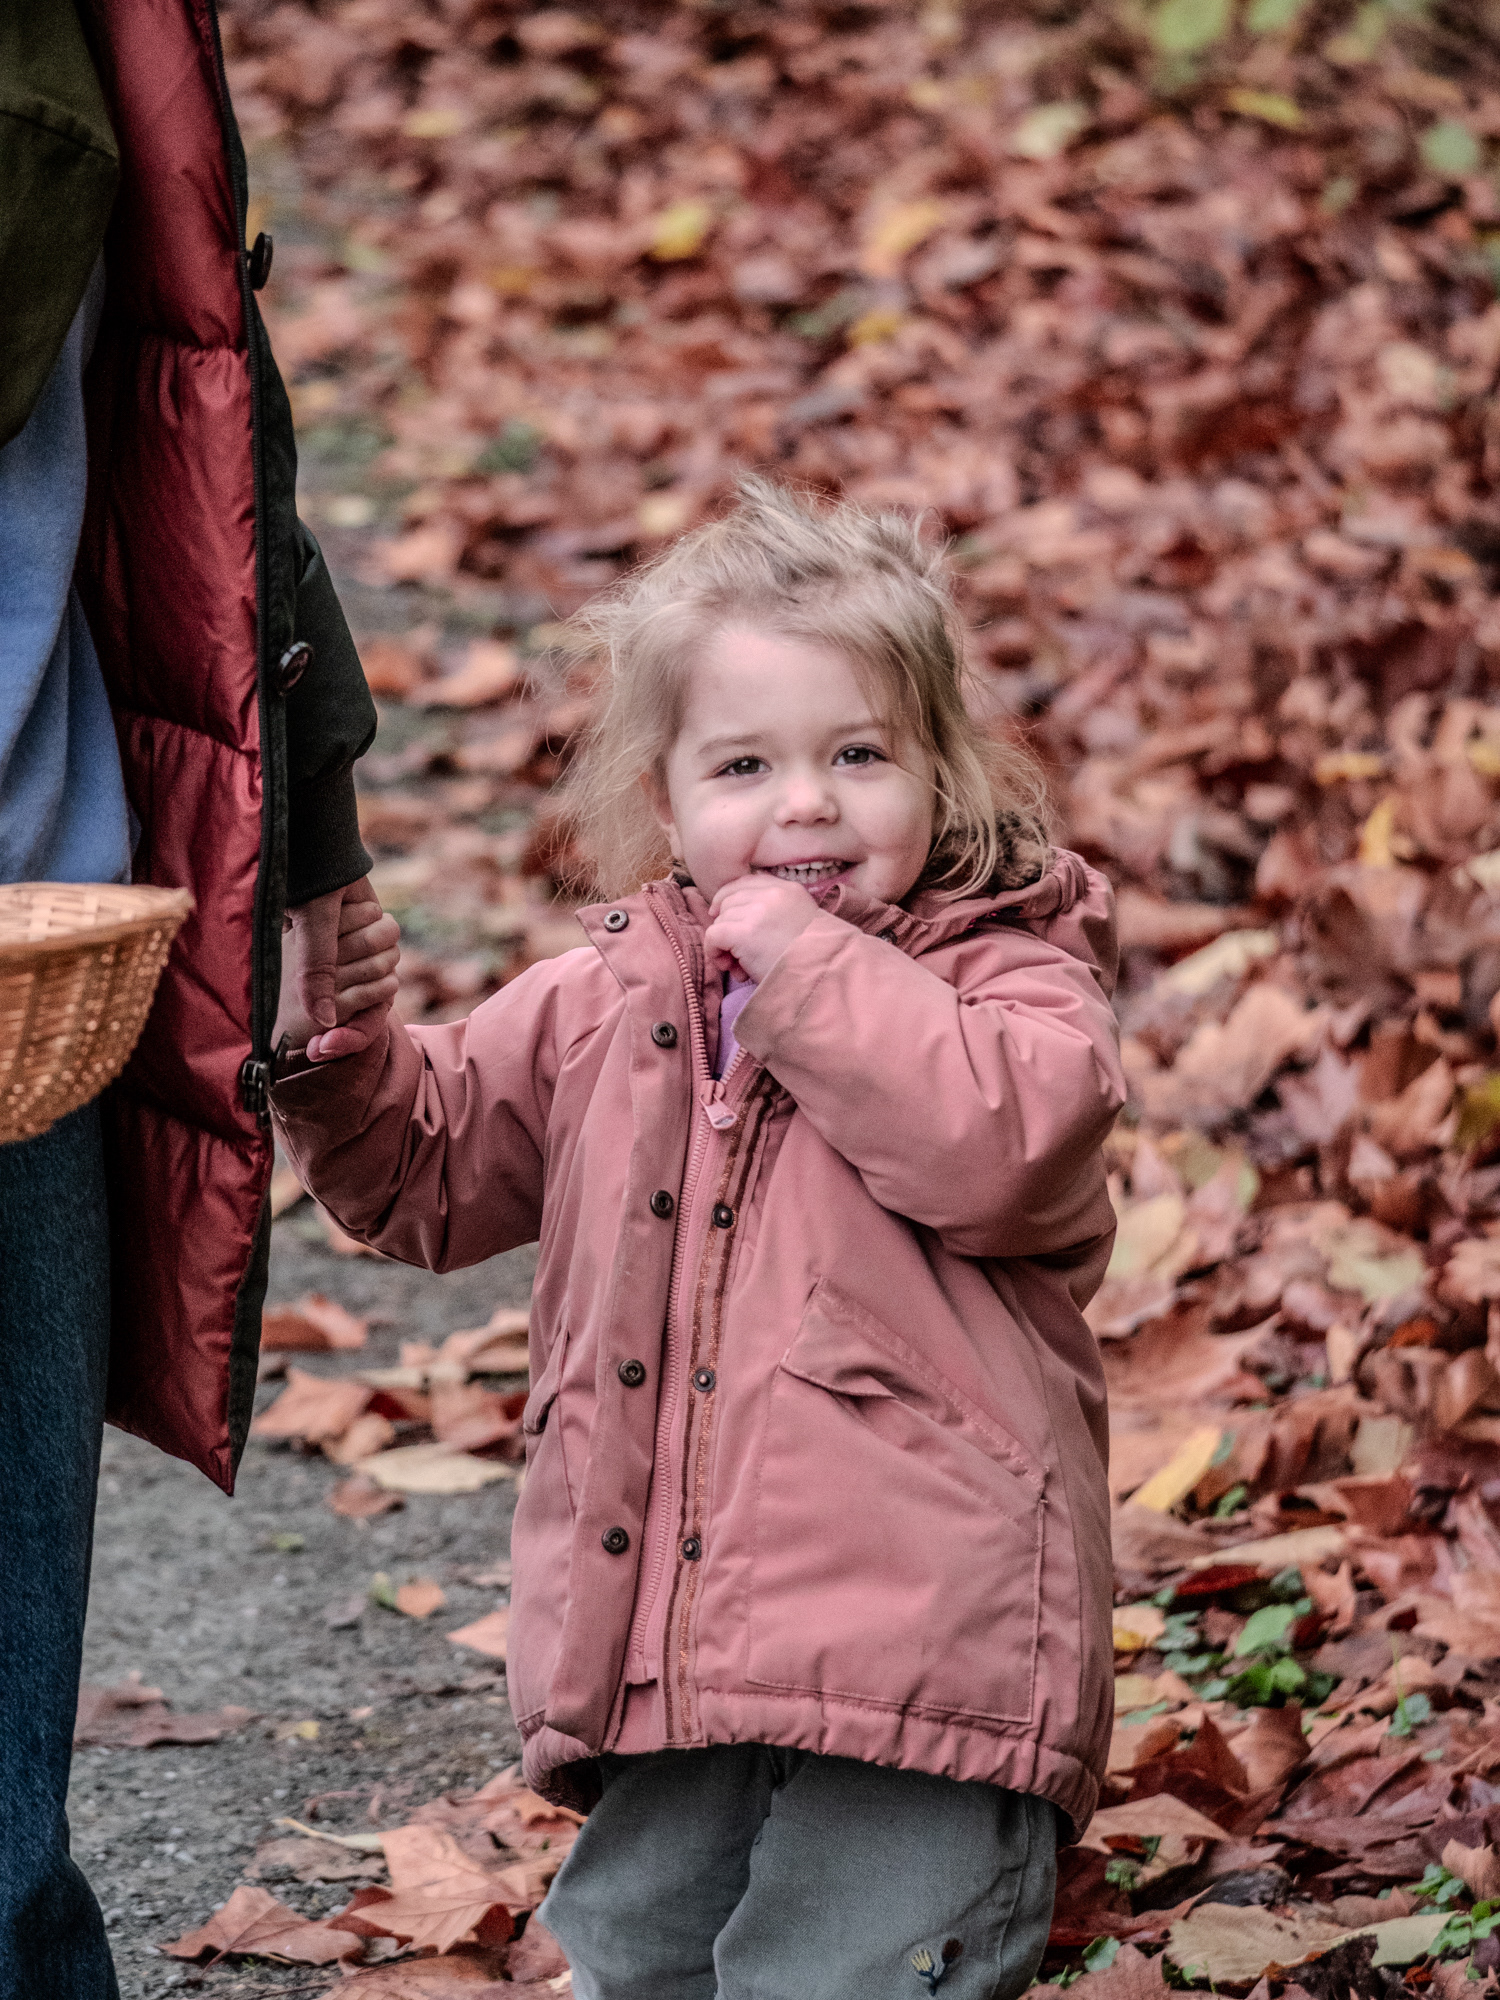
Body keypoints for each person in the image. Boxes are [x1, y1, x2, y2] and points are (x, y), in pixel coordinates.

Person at [272, 480, 1125, 2000]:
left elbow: (1002, 1148)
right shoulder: (608, 1001)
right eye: (744, 765)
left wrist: (803, 970)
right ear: (665, 806)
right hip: (667, 1638)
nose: (806, 804)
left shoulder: (1009, 978)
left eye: (859, 754)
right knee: (640, 1952)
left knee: (853, 1966)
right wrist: (337, 1048)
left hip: (928, 1650)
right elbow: (428, 1170)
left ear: (942, 775)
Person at [0, 3, 380, 1992]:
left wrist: (311, 823)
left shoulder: (93, 28)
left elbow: (201, 383)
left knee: (0, 1824)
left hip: (33, 956)